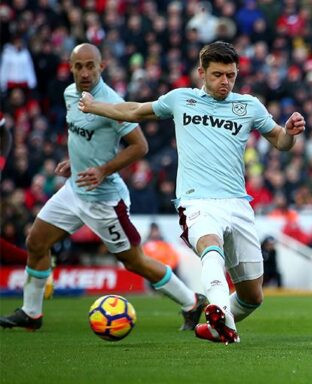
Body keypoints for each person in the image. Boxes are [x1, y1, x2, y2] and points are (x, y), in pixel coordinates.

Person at [77, 41, 306, 344]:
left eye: (231, 75)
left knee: (252, 297)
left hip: (237, 203)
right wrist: (95, 107)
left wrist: (289, 134)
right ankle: (220, 311)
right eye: (218, 75)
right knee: (210, 247)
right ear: (201, 72)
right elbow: (134, 111)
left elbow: (279, 139)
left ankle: (216, 324)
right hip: (196, 200)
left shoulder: (248, 106)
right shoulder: (180, 99)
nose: (225, 82)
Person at [0, 44, 207, 332]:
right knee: (36, 241)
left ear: (102, 67)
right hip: (75, 190)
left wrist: (102, 170)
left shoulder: (111, 102)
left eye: (90, 66)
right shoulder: (69, 94)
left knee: (134, 262)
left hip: (105, 199)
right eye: (79, 66)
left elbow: (140, 146)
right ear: (70, 67)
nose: (84, 72)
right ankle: (31, 313)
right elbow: (82, 137)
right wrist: (75, 161)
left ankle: (192, 301)